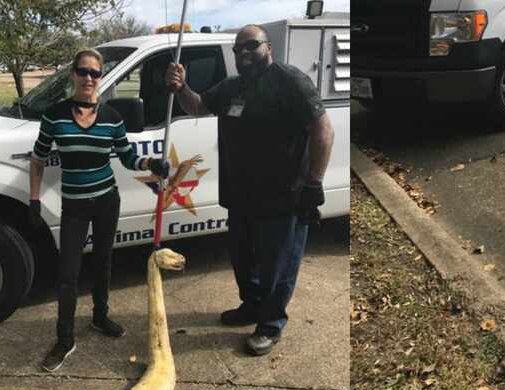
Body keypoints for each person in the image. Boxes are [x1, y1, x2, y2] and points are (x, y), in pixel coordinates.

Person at [164, 24, 335, 356]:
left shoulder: (290, 81)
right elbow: (198, 106)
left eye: (250, 46)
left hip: (283, 196)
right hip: (241, 195)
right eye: (237, 49)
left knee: (278, 266)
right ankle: (252, 307)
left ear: (268, 47)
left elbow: (323, 129)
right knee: (244, 261)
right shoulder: (231, 88)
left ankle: (270, 325)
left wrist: (314, 182)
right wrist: (182, 86)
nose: (243, 53)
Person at [30, 49, 169, 372]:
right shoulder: (55, 115)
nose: (89, 78)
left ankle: (100, 316)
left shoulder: (112, 117)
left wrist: (152, 164)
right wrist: (34, 200)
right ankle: (64, 339)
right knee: (68, 273)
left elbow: (127, 158)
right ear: (73, 75)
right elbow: (38, 159)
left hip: (107, 200)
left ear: (101, 78)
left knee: (104, 262)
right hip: (75, 205)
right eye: (83, 71)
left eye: (95, 73)